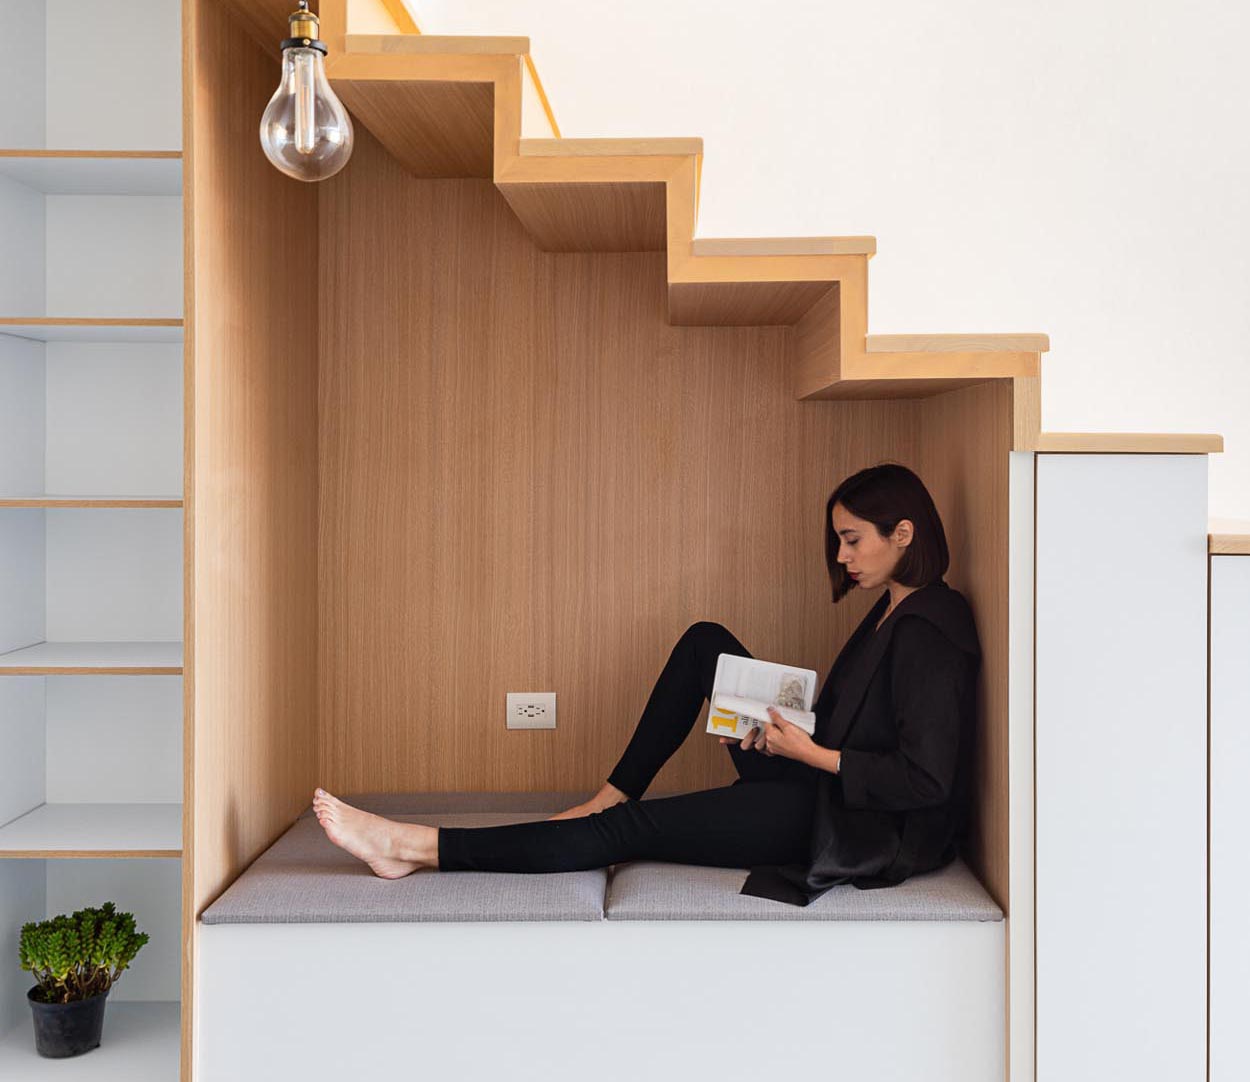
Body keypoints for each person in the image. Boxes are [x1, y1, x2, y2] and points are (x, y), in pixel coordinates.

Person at [312, 462, 982, 906]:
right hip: (820, 779)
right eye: (838, 540)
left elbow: (927, 782)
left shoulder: (930, 631)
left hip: (849, 824)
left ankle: (409, 847)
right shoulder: (896, 602)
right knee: (706, 644)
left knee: (628, 831)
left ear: (903, 533)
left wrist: (810, 754)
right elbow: (863, 719)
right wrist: (787, 732)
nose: (841, 557)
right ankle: (610, 793)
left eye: (852, 541)